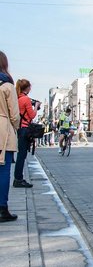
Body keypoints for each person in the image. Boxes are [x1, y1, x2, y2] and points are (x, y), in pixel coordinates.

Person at [0, 51, 20, 222]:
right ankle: (2, 208)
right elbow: (14, 115)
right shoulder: (7, 85)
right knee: (3, 169)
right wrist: (16, 128)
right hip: (2, 130)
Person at [14, 79, 40, 188]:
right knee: (22, 154)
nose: (30, 89)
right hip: (25, 129)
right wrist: (36, 106)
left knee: (21, 153)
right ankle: (18, 179)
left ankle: (18, 178)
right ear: (27, 88)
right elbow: (32, 115)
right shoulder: (25, 99)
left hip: (20, 128)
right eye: (30, 87)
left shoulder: (18, 98)